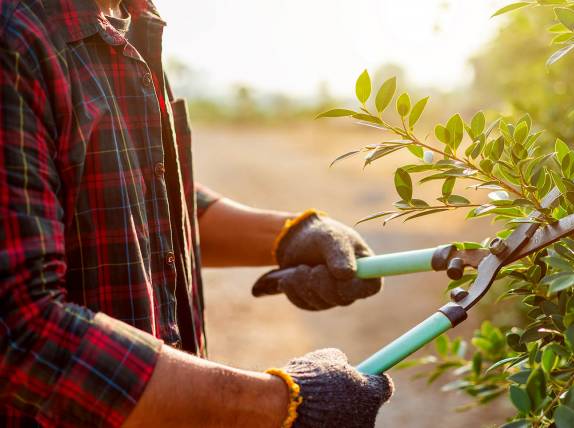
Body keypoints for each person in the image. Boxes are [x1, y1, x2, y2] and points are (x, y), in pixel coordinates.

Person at [0, 0, 393, 426]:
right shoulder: (15, 38)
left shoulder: (129, 21)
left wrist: (289, 236)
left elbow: (142, 194)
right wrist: (280, 403)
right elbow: (20, 330)